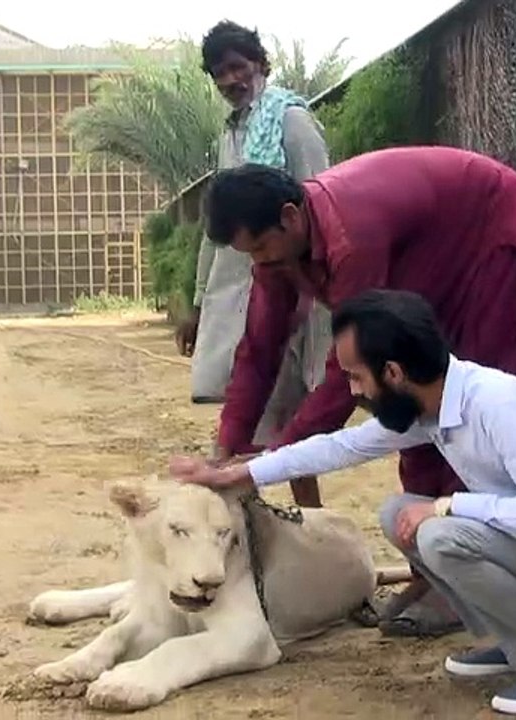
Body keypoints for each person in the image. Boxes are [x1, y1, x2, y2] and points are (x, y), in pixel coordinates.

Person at [171, 289, 516, 716]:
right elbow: (339, 447)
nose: (354, 391)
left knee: (438, 530)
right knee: (398, 513)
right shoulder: (431, 405)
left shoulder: (500, 405)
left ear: (393, 373)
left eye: (357, 377)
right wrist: (240, 471)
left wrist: (448, 505)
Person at [202, 145, 516, 638]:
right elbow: (259, 344)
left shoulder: (352, 238)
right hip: (431, 260)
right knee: (409, 412)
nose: (259, 263)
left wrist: (269, 459)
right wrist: (227, 445)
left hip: (490, 235)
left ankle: (472, 582)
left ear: (290, 218)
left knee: (465, 415)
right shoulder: (281, 253)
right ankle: (435, 573)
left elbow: (352, 372)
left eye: (258, 250)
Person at [174, 20, 333, 509]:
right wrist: (200, 302)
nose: (229, 80)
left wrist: (308, 293)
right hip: (239, 292)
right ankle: (259, 526)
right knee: (255, 411)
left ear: (261, 64)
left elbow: (321, 204)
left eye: (237, 67)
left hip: (291, 291)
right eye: (219, 73)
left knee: (289, 417)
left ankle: (309, 530)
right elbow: (215, 227)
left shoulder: (291, 121)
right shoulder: (230, 134)